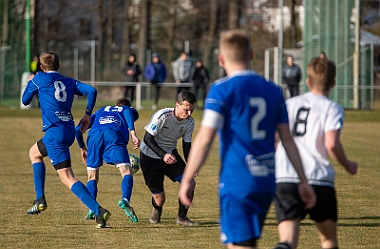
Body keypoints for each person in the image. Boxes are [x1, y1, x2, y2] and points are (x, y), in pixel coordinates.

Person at [179, 30, 316, 249]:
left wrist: (187, 178)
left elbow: (205, 138)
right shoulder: (274, 91)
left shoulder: (222, 90)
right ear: (251, 55)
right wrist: (303, 180)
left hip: (238, 183)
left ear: (221, 59)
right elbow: (287, 140)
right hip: (267, 182)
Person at [273, 57, 358, 249]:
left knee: (287, 241)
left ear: (308, 81)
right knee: (328, 241)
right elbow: (331, 144)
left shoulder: (289, 104)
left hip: (286, 177)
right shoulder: (332, 108)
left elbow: (274, 139)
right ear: (333, 83)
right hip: (319, 179)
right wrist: (348, 165)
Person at [21, 51, 111, 229]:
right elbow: (92, 91)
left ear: (41, 67)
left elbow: (25, 101)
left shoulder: (38, 79)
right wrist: (87, 115)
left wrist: (30, 82)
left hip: (55, 134)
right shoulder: (68, 81)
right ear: (59, 66)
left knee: (67, 177)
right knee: (34, 153)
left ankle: (98, 209)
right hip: (68, 131)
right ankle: (40, 198)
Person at [75, 97, 141, 223]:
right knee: (126, 172)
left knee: (92, 177)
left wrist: (82, 148)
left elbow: (77, 129)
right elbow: (127, 111)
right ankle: (125, 200)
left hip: (94, 136)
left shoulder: (100, 111)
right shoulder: (126, 109)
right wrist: (132, 133)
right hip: (113, 134)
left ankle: (92, 207)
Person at [140, 90, 199, 226]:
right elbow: (147, 139)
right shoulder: (162, 116)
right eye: (186, 110)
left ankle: (181, 218)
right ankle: (156, 210)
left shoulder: (189, 122)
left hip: (171, 156)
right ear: (177, 105)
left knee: (190, 183)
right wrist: (163, 155)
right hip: (150, 158)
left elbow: (187, 146)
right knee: (160, 199)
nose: (189, 114)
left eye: (192, 110)